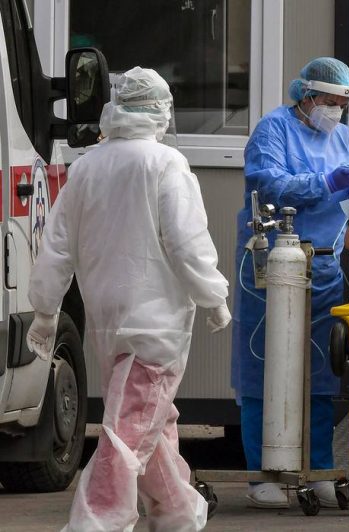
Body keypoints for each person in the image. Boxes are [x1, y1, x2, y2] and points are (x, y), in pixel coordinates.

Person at [26, 67, 231, 532]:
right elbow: (186, 242)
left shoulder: (87, 167)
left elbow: (57, 244)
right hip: (155, 324)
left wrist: (45, 308)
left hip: (107, 322)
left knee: (148, 419)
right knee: (128, 432)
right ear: (161, 110)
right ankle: (94, 523)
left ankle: (177, 514)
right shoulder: (164, 164)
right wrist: (213, 294)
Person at [231, 57, 349, 509]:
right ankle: (262, 473)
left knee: (320, 369)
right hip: (273, 261)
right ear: (306, 95)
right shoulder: (273, 129)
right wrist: (324, 182)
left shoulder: (343, 137)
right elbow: (267, 184)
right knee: (264, 363)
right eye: (329, 101)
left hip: (324, 264)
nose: (335, 111)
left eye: (342, 104)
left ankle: (317, 467)